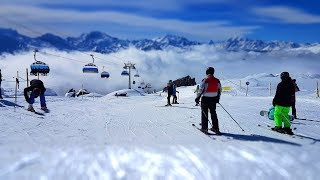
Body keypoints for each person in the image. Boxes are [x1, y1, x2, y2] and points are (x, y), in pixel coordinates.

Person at [195, 67, 222, 134]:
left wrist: (197, 97)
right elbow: (220, 90)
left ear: (207, 72)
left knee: (204, 113)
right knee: (213, 113)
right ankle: (216, 128)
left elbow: (201, 89)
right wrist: (218, 98)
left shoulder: (205, 80)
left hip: (205, 98)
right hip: (214, 98)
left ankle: (204, 128)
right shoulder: (217, 80)